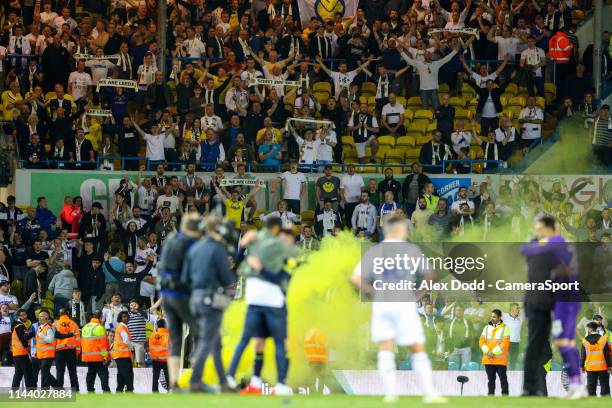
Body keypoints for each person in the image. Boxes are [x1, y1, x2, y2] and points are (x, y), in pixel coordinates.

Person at [351, 214, 446, 404]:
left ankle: (391, 393)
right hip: (403, 302)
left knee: (385, 347)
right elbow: (430, 274)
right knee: (417, 347)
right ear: (400, 230)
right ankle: (429, 393)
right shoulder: (410, 250)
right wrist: (419, 294)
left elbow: (356, 277)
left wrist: (373, 292)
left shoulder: (376, 250)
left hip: (383, 303)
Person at [520, 215, 585, 398]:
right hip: (565, 297)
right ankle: (577, 385)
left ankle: (577, 385)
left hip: (565, 298)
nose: (538, 233)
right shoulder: (562, 243)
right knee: (565, 341)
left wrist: (536, 243)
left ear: (552, 228)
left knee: (563, 341)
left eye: (541, 229)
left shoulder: (555, 241)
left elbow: (526, 250)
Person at [182, 214, 236, 392]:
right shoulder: (218, 249)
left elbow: (185, 277)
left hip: (194, 298)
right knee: (207, 339)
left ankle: (223, 383)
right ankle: (195, 380)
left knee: (215, 340)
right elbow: (227, 277)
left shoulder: (194, 248)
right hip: (211, 297)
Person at [158, 213, 202, 391]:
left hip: (167, 295)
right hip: (182, 294)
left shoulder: (171, 239)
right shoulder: (192, 244)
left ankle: (174, 383)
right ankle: (197, 381)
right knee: (201, 334)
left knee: (176, 340)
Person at [479, 309, 510, 396]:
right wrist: (488, 351)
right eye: (491, 316)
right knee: (491, 380)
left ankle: (505, 397)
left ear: (499, 317)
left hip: (500, 361)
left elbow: (505, 344)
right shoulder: (486, 327)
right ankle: (491, 397)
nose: (492, 318)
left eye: (494, 316)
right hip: (488, 360)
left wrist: (492, 353)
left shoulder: (505, 328)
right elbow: (481, 341)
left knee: (503, 380)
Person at [81, 312, 111, 393]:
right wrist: (105, 357)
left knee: (91, 372)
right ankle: (106, 390)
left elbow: (83, 342)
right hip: (98, 356)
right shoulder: (99, 327)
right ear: (100, 318)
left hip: (88, 356)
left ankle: (90, 389)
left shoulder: (85, 327)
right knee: (103, 373)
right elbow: (102, 344)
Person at [581, 321, 611, 396]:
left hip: (590, 368)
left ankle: (592, 403)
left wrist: (582, 366)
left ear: (590, 329)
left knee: (591, 387)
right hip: (602, 367)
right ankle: (605, 403)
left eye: (588, 328)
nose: (587, 329)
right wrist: (609, 365)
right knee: (605, 387)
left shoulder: (585, 341)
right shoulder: (603, 339)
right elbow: (607, 354)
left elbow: (583, 355)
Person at [53, 309, 80, 391]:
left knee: (60, 372)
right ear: (68, 314)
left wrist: (53, 351)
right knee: (72, 372)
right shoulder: (74, 324)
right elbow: (78, 339)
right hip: (71, 351)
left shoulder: (55, 324)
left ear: (59, 314)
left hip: (59, 351)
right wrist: (77, 351)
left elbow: (53, 339)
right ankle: (75, 391)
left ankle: (59, 391)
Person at [11, 308, 35, 389]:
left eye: (25, 314)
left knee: (18, 373)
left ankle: (13, 392)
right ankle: (30, 392)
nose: (25, 316)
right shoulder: (20, 326)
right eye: (23, 315)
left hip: (16, 353)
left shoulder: (16, 325)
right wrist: (34, 332)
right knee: (27, 373)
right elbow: (23, 339)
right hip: (22, 353)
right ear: (18, 316)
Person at [112, 311, 134, 393]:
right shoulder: (121, 326)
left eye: (126, 316)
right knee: (128, 374)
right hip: (122, 355)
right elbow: (126, 340)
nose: (125, 318)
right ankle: (129, 390)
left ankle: (119, 390)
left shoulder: (122, 326)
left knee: (121, 374)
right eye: (123, 316)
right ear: (120, 318)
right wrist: (132, 348)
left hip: (120, 355)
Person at [36, 309, 57, 388]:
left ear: (46, 318)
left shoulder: (48, 328)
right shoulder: (40, 327)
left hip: (47, 355)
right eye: (39, 316)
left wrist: (43, 336)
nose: (40, 318)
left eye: (42, 316)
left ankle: (45, 391)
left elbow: (50, 340)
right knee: (46, 373)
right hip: (41, 355)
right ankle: (59, 388)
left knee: (45, 374)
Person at [148, 319, 170, 393]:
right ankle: (170, 390)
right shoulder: (168, 335)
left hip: (155, 359)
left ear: (157, 326)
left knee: (155, 377)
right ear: (165, 325)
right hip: (165, 359)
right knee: (167, 377)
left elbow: (150, 347)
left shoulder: (152, 335)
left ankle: (154, 391)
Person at [502, 303, 524, 370]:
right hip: (507, 343)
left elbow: (527, 307)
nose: (518, 310)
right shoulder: (505, 316)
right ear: (512, 309)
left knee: (513, 362)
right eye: (517, 308)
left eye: (518, 308)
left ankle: (511, 377)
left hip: (516, 344)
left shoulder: (520, 317)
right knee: (504, 361)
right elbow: (492, 308)